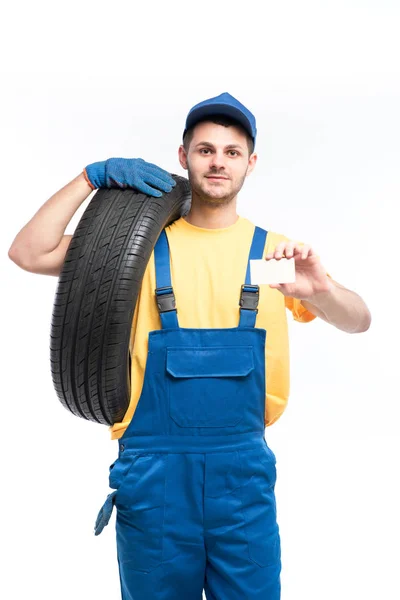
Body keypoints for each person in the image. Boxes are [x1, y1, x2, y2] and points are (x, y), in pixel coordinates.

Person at [8, 91, 371, 599]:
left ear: (250, 163)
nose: (218, 161)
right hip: (154, 479)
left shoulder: (270, 258)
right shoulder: (131, 252)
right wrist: (91, 177)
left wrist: (322, 290)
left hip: (240, 483)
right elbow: (28, 251)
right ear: (184, 158)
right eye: (205, 150)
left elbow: (360, 321)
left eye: (231, 151)